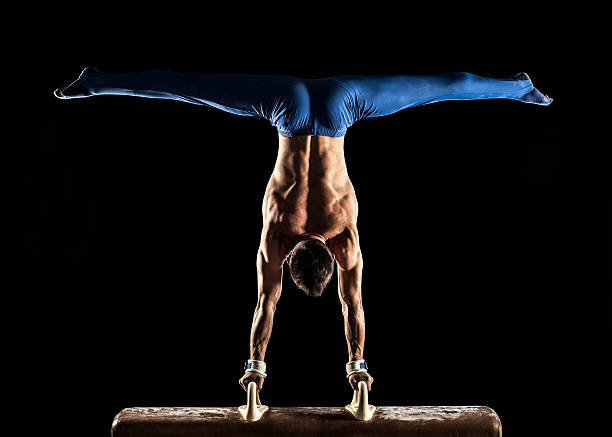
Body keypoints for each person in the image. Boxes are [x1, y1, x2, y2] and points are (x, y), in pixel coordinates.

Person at [54, 68, 552, 394]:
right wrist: (254, 365)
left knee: (433, 91)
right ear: (294, 256)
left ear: (326, 258)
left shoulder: (345, 241)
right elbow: (265, 306)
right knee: (195, 91)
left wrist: (358, 363)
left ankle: (96, 81)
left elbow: (350, 306)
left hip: (341, 109)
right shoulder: (277, 238)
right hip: (287, 111)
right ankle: (520, 88)